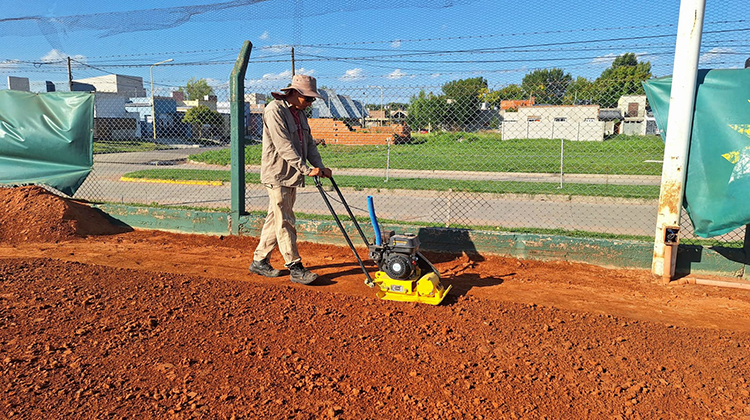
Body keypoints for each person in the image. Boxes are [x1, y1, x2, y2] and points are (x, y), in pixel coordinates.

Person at [249, 74, 332, 285]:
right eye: (309, 98)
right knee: (285, 220)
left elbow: (310, 144)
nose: (311, 102)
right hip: (278, 174)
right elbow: (283, 145)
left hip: (292, 174)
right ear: (294, 93)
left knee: (276, 218)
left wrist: (320, 167)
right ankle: (295, 267)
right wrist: (306, 169)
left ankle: (259, 260)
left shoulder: (300, 113)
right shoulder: (274, 110)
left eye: (313, 99)